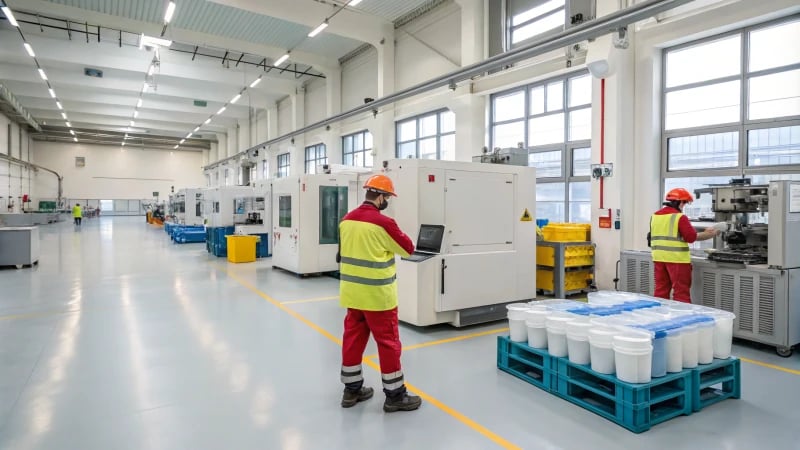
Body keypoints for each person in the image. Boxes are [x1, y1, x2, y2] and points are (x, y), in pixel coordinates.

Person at [337, 174, 421, 412]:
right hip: (377, 297)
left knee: (352, 339)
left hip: (352, 294)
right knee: (388, 343)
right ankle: (395, 395)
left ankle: (351, 390)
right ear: (381, 197)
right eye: (388, 198)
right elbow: (407, 248)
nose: (388, 203)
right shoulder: (384, 223)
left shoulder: (347, 220)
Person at [650, 188, 718, 303]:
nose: (684, 206)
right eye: (685, 203)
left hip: (659, 258)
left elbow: (670, 232)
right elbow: (691, 237)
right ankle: (683, 318)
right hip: (677, 260)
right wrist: (711, 234)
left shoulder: (655, 216)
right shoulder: (679, 217)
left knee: (661, 291)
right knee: (681, 293)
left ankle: (660, 317)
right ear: (680, 202)